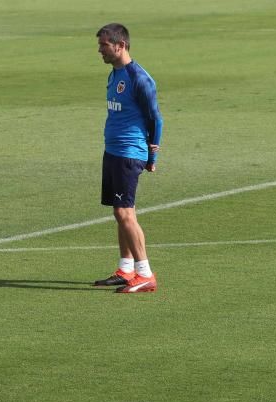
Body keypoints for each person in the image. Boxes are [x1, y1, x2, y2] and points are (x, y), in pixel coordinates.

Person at [92, 23, 164, 293]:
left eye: (104, 45)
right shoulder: (114, 74)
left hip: (129, 152)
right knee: (118, 212)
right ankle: (126, 268)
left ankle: (145, 274)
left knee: (125, 212)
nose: (100, 50)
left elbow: (156, 117)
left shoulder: (139, 78)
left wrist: (152, 153)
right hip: (112, 150)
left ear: (120, 45)